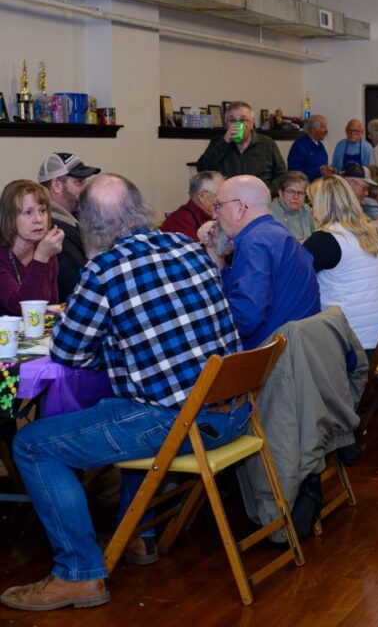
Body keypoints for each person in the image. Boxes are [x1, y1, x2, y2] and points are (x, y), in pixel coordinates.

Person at [0, 174, 245, 612]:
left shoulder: (105, 270)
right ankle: (138, 534)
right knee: (119, 404)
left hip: (179, 423)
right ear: (140, 208)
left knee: (33, 444)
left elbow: (70, 352)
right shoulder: (188, 247)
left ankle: (78, 574)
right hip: (234, 412)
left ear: (88, 225)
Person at [198, 175, 320, 350]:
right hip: (300, 349)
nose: (213, 214)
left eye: (218, 206)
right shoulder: (274, 233)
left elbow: (244, 319)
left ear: (240, 208)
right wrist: (214, 250)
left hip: (275, 360)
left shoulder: (255, 243)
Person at [303, 176, 378, 353]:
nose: (310, 208)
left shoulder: (325, 238)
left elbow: (296, 280)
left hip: (354, 344)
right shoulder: (367, 233)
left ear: (321, 204)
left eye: (311, 202)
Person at [37, 152, 101, 302]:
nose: (86, 190)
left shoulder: (76, 219)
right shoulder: (54, 229)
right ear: (56, 185)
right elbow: (76, 283)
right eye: (79, 182)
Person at [0, 180, 63, 315]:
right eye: (28, 213)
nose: (39, 219)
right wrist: (40, 258)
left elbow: (52, 305)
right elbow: (21, 308)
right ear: (10, 217)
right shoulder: (43, 252)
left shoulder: (46, 249)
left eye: (42, 211)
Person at [196, 100, 286, 192]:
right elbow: (202, 169)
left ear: (252, 123)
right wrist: (224, 142)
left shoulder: (267, 143)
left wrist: (268, 191)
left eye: (243, 120)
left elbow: (281, 174)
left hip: (259, 200)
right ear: (227, 124)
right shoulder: (218, 142)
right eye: (232, 120)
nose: (237, 124)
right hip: (228, 200)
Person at [160, 170, 223, 242]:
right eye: (219, 194)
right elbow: (198, 251)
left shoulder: (212, 215)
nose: (223, 199)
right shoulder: (181, 220)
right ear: (202, 195)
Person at [287, 114, 334, 182]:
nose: (326, 130)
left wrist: (328, 170)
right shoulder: (299, 146)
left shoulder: (320, 146)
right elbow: (295, 174)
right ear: (313, 130)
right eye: (323, 127)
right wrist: (318, 172)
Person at [270, 171, 314, 241]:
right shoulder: (270, 212)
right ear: (281, 193)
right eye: (291, 192)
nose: (296, 197)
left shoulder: (307, 210)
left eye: (300, 193)